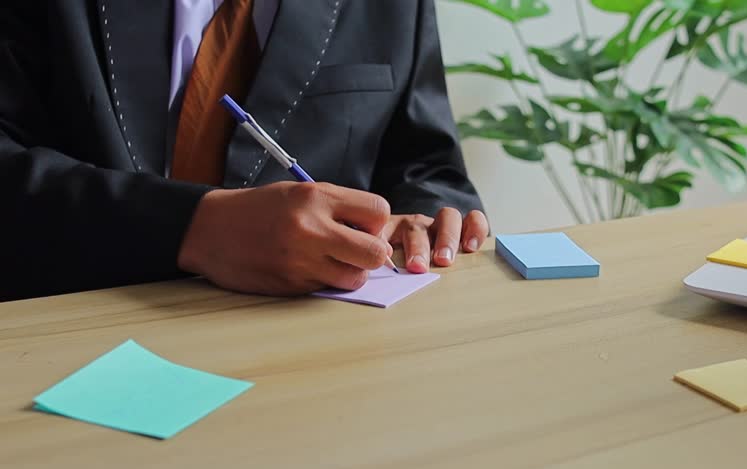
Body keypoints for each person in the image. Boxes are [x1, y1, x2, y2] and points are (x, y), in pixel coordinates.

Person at [0, 0, 488, 302]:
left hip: (322, 358)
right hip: (73, 347)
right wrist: (192, 226)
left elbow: (426, 166)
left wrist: (421, 224)